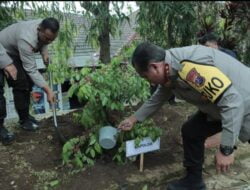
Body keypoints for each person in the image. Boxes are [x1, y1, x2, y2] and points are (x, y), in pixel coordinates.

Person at [118, 42, 250, 190]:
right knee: (191, 131)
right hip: (220, 108)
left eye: (145, 77)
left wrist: (226, 149)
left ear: (155, 66)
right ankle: (193, 182)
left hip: (243, 106)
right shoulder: (170, 68)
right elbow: (159, 96)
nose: (148, 81)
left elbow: (233, 102)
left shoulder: (188, 68)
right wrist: (133, 119)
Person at [0, 17, 59, 145]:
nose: (49, 41)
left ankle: (24, 119)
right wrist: (48, 90)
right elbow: (31, 69)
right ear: (39, 29)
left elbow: (42, 41)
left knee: (25, 84)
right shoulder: (26, 39)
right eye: (47, 38)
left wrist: (44, 52)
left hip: (13, 53)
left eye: (52, 40)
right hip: (2, 50)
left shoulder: (43, 25)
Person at [198, 33, 238, 149]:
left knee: (228, 117)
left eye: (207, 46)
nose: (204, 50)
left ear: (215, 44)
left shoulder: (229, 55)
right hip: (217, 91)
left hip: (230, 91)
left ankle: (229, 146)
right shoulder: (209, 55)